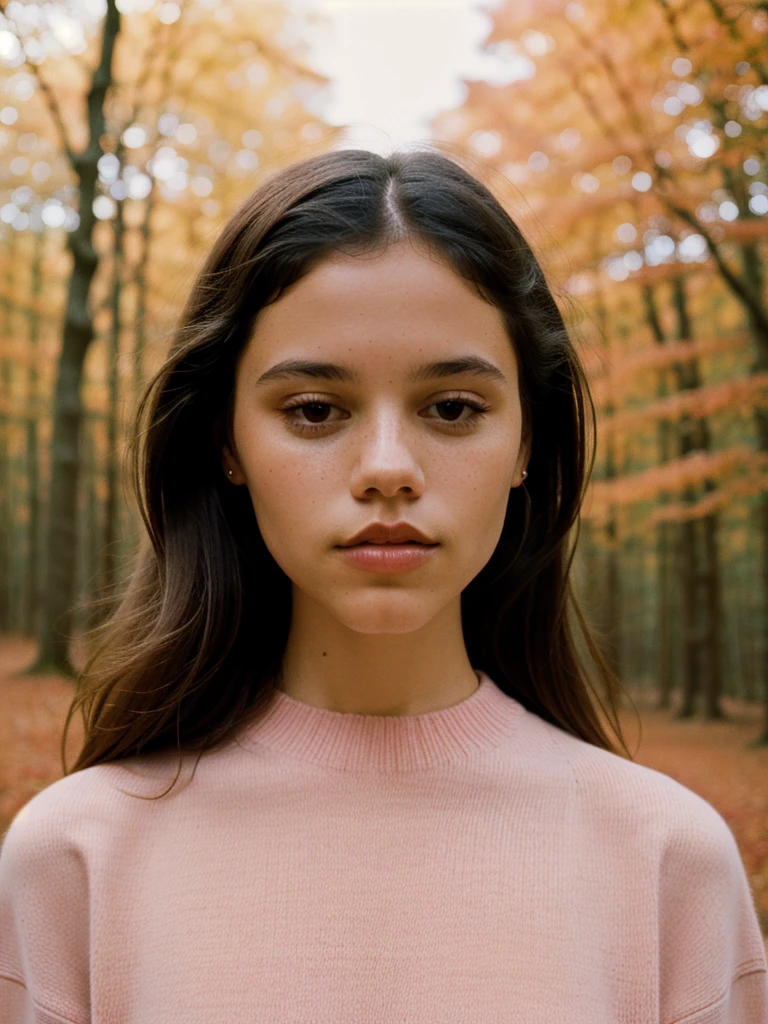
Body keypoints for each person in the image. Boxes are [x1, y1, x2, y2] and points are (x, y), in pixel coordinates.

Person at [0, 147, 765, 1023]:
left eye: (452, 409)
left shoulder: (669, 866)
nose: (388, 470)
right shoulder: (73, 865)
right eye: (315, 412)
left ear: (525, 445)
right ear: (226, 444)